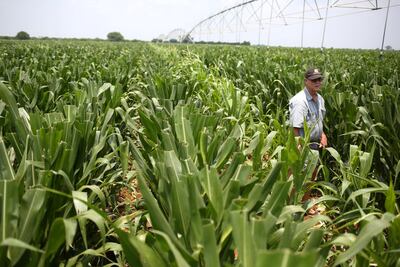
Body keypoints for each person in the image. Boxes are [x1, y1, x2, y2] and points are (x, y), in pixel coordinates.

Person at [289, 68, 328, 207]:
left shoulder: (320, 99)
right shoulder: (300, 101)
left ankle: (305, 204)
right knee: (298, 176)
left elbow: (319, 120)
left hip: (315, 145)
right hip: (303, 145)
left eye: (319, 79)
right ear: (306, 81)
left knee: (311, 176)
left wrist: (323, 135)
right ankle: (291, 205)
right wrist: (298, 149)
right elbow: (295, 129)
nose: (317, 82)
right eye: (314, 80)